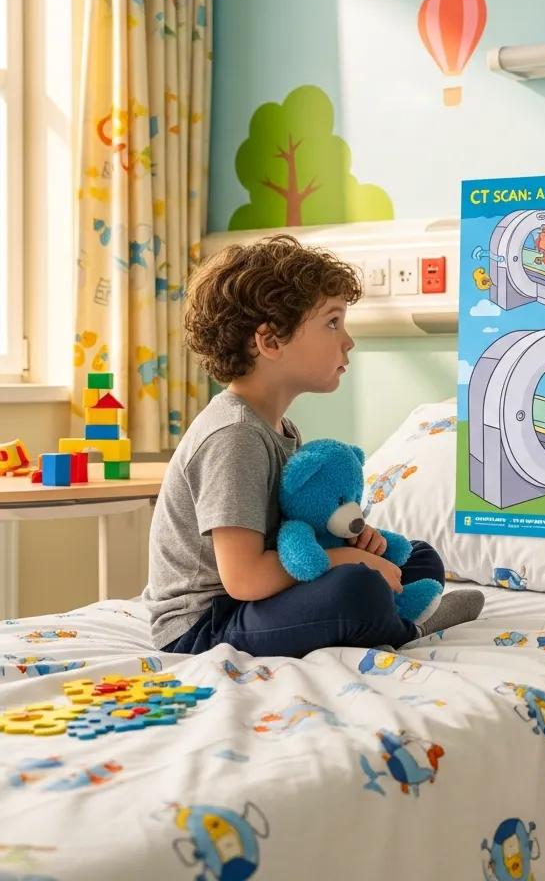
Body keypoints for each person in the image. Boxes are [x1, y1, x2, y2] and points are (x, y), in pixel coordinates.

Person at [143, 234, 483, 658]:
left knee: (416, 558)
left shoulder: (277, 428)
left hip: (258, 599)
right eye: (332, 322)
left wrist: (352, 543)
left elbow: (293, 534)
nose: (348, 340)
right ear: (271, 342)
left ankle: (387, 614)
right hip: (208, 623)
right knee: (357, 587)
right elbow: (244, 579)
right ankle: (405, 627)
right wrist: (346, 562)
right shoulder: (234, 437)